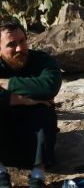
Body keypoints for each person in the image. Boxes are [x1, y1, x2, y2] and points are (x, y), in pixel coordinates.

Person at [0, 21, 61, 188]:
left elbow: (49, 86)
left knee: (44, 108)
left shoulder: (41, 60)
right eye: (11, 44)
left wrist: (7, 84)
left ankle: (38, 176)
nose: (20, 48)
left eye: (22, 41)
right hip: (4, 145)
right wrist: (24, 99)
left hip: (35, 145)